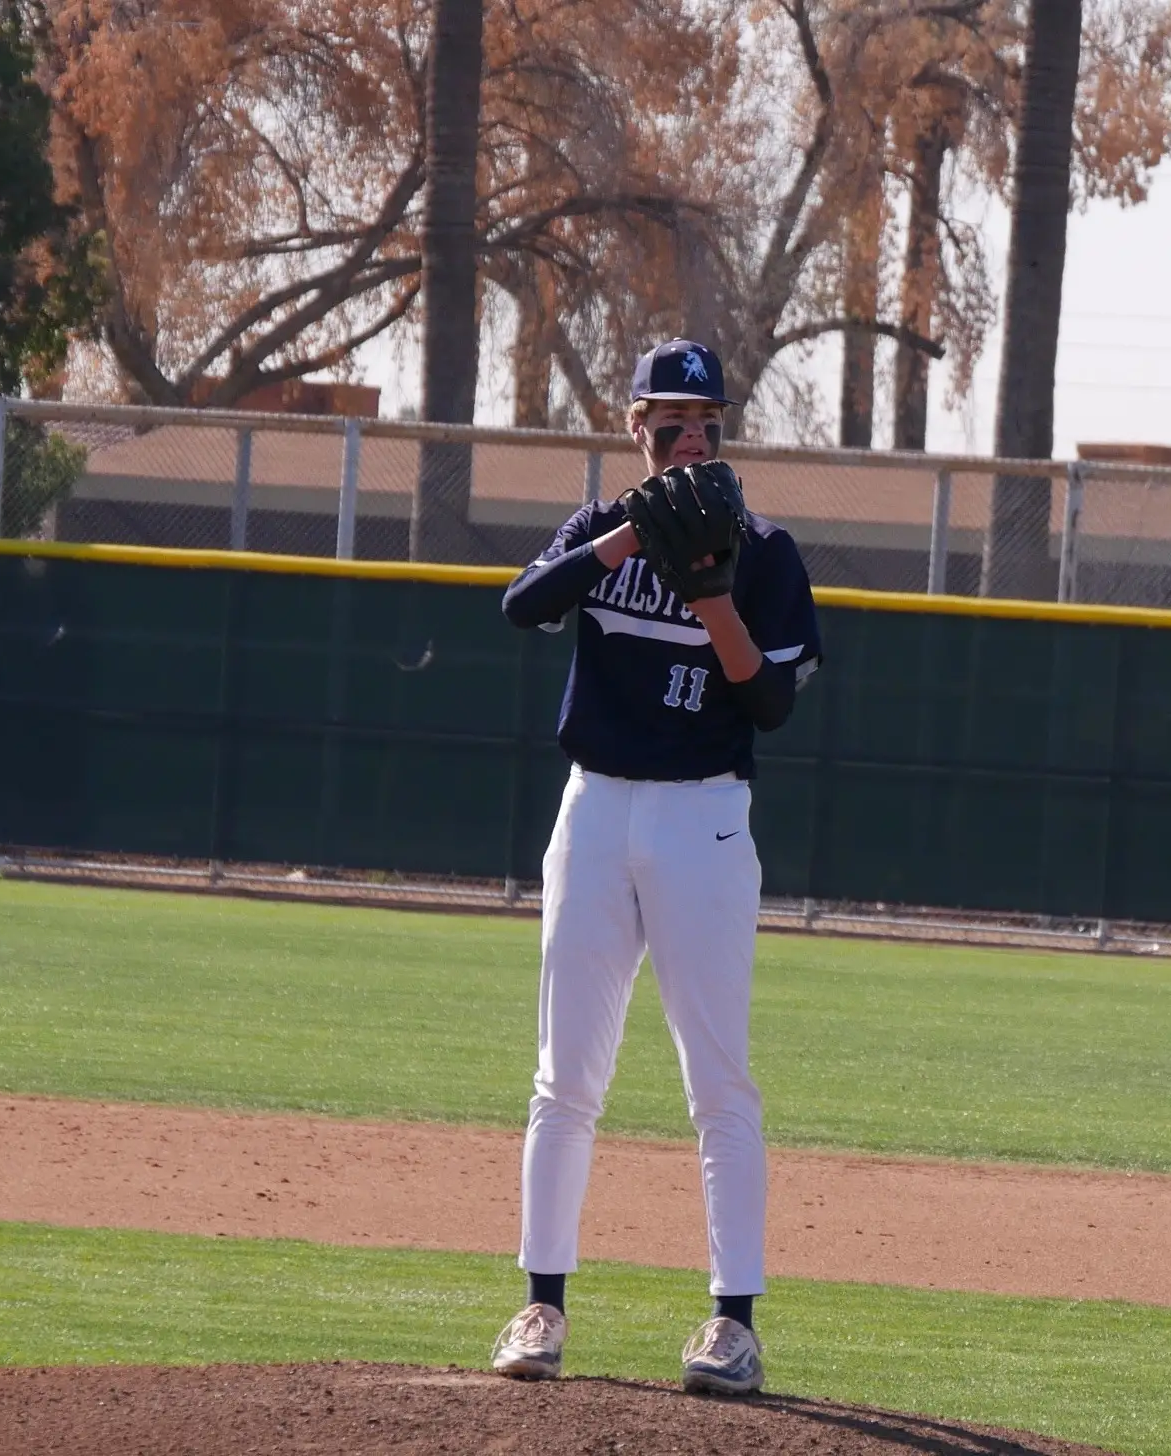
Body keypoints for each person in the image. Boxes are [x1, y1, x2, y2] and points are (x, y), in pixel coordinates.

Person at [488, 339, 821, 1394]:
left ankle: (733, 1324)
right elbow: (522, 604)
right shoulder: (599, 529)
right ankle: (541, 1305)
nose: (691, 437)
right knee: (563, 1076)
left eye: (707, 422)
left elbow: (772, 703)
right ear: (635, 426)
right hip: (593, 810)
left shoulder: (763, 553)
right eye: (671, 419)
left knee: (718, 1081)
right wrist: (633, 535)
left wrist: (713, 594)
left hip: (703, 820)